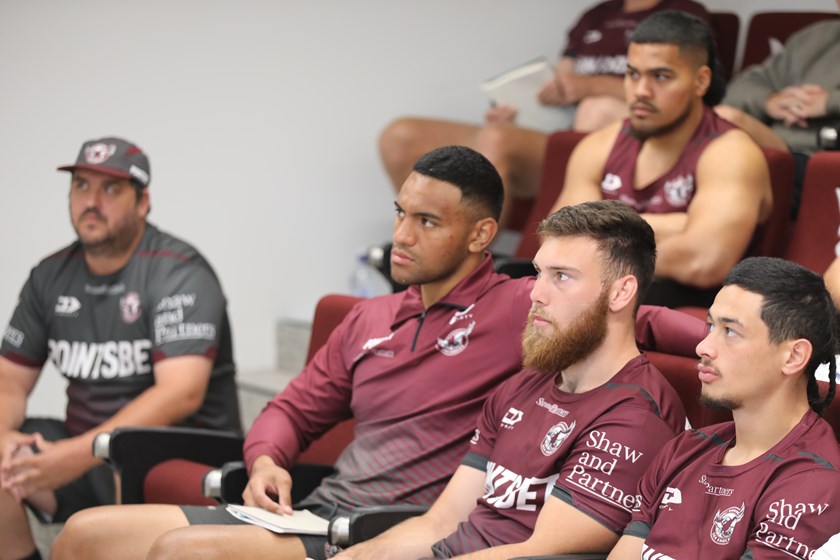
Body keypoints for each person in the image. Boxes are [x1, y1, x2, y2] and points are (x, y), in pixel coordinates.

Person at [51, 147, 706, 560]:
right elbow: (296, 405)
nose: (399, 236)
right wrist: (267, 457)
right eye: (399, 214)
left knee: (178, 551)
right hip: (315, 507)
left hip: (379, 520)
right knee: (83, 533)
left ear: (481, 235)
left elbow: (629, 316)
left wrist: (716, 339)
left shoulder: (517, 309)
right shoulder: (370, 317)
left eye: (425, 222)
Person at [332, 200, 687, 559]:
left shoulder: (636, 418)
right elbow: (439, 523)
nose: (536, 293)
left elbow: (536, 554)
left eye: (561, 277)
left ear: (620, 293)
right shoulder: (525, 384)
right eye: (539, 273)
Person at [0, 137, 241, 560]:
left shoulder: (179, 271)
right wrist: (3, 436)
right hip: (84, 450)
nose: (91, 201)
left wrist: (74, 456)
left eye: (110, 189)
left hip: (174, 458)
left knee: (128, 458)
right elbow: (9, 383)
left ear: (142, 201)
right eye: (81, 186)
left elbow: (179, 394)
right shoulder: (49, 275)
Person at [379, 0, 710, 228]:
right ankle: (423, 241)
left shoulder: (684, 14)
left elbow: (674, 92)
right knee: (402, 135)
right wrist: (518, 111)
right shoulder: (594, 16)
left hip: (614, 145)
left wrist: (587, 86)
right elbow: (560, 83)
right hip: (557, 131)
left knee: (596, 109)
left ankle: (463, 267)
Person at [607, 256, 840, 560]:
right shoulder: (684, 449)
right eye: (710, 326)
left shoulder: (814, 483)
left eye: (730, 331)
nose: (703, 347)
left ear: (794, 356)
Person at [551, 10, 772, 308]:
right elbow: (556, 241)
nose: (641, 91)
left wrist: (594, 236)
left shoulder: (730, 152)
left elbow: (703, 261)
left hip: (694, 312)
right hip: (607, 299)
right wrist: (677, 225)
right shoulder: (598, 145)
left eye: (661, 76)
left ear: (701, 81)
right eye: (632, 74)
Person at [714, 1, 840, 215]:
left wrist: (829, 102)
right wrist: (770, 100)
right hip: (781, 151)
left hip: (824, 162)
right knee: (722, 117)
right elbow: (738, 89)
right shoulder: (814, 37)